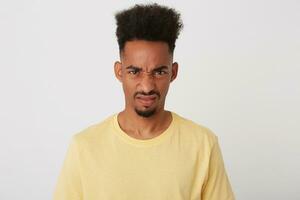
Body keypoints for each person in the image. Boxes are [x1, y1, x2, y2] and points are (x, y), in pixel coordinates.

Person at [53, 3, 235, 200]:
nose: (147, 86)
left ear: (173, 73)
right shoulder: (85, 147)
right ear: (119, 72)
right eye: (134, 72)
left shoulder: (203, 145)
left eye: (159, 72)